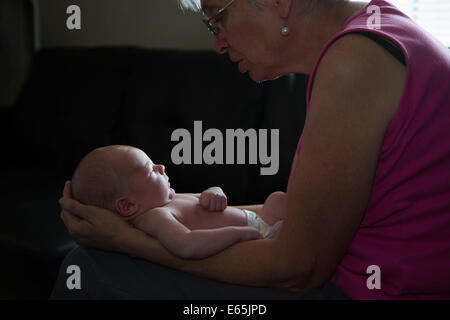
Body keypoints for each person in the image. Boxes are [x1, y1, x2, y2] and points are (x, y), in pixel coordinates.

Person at [56, 0, 450, 299]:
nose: (217, 43)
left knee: (89, 267)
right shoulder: (376, 33)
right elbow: (304, 222)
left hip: (372, 290)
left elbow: (298, 265)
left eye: (218, 18)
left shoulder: (356, 62)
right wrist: (173, 211)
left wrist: (129, 242)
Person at [70, 145, 285, 259]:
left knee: (278, 199)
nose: (161, 167)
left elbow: (201, 198)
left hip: (257, 223)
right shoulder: (155, 217)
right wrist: (237, 233)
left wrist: (213, 193)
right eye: (150, 169)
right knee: (291, 230)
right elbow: (187, 245)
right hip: (254, 240)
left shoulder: (167, 198)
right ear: (128, 206)